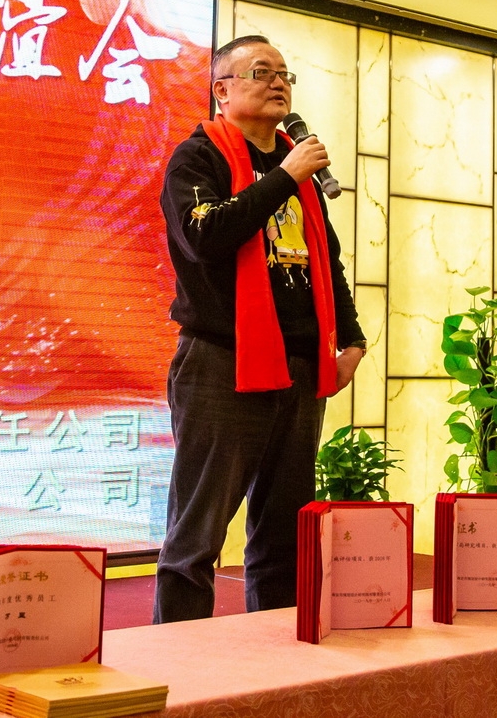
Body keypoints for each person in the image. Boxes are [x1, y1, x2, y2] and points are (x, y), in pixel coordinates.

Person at [153, 34, 367, 622]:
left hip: (298, 366)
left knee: (283, 535)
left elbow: (325, 259)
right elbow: (206, 237)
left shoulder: (297, 168)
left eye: (284, 74)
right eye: (261, 71)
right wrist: (285, 177)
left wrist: (352, 340)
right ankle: (178, 661)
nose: (278, 82)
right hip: (222, 363)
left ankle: (278, 661)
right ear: (222, 91)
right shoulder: (197, 158)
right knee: (197, 535)